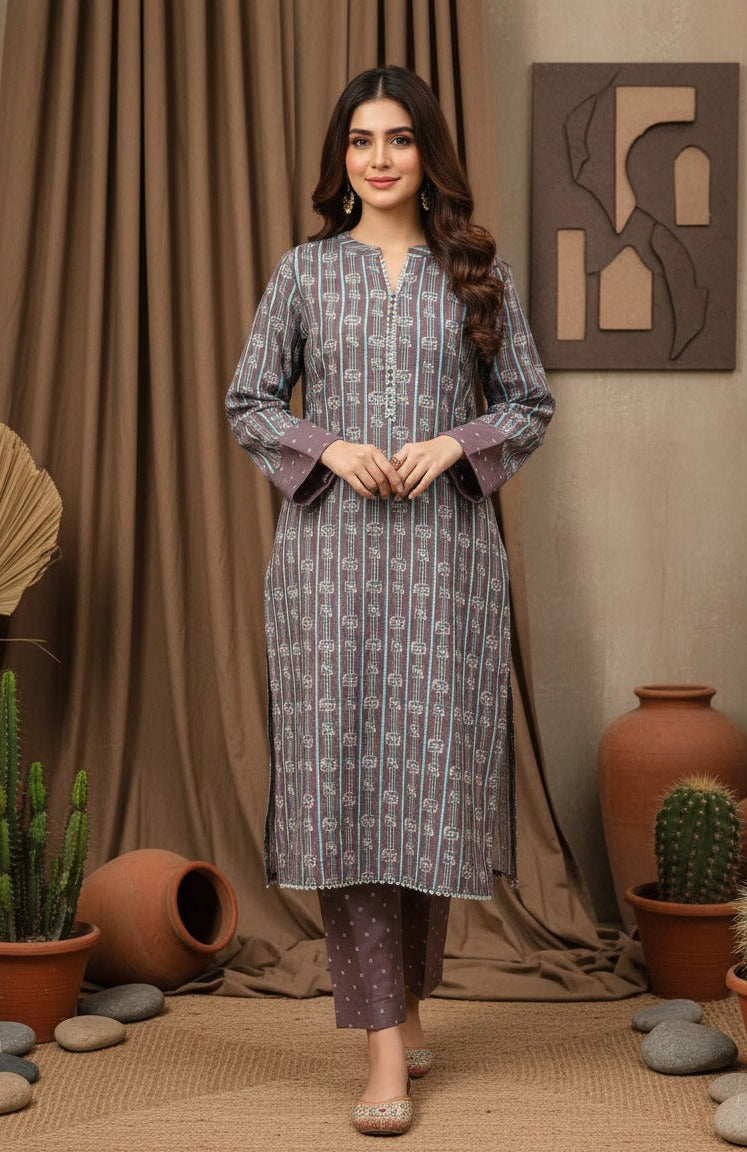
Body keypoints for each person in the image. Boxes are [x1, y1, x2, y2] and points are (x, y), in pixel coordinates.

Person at [226, 65, 553, 1137]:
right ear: (342, 160)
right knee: (350, 797)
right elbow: (250, 402)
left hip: (447, 564)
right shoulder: (305, 275)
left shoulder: (480, 273)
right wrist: (334, 444)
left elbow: (529, 406)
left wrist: (451, 442)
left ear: (428, 154)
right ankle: (381, 1051)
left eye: (400, 139)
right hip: (329, 568)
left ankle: (405, 1002)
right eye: (361, 140)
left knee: (423, 791)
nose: (379, 158)